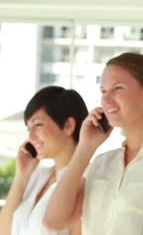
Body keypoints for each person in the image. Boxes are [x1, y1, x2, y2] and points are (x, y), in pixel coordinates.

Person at [43, 53, 143, 235]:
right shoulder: (102, 163)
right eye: (103, 91)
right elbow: (54, 222)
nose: (106, 99)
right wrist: (85, 148)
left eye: (117, 88)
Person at [0, 86, 88, 235]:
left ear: (68, 126)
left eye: (38, 125)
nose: (31, 137)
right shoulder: (37, 176)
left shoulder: (89, 180)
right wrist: (21, 177)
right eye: (29, 128)